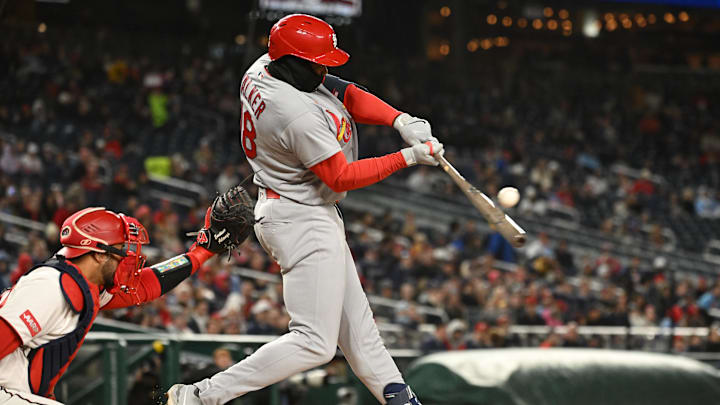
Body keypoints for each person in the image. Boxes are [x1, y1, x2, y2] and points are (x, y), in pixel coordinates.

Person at [167, 13, 442, 405]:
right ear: (292, 62)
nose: (323, 68)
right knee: (315, 342)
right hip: (300, 215)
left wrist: (399, 118)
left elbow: (342, 90)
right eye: (315, 62)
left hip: (301, 208)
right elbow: (341, 176)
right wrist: (408, 156)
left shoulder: (267, 65)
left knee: (363, 340)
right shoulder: (292, 112)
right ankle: (200, 396)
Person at [0, 204, 237, 405]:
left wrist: (201, 253)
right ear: (99, 254)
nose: (128, 258)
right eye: (121, 250)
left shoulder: (85, 284)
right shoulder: (50, 286)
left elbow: (144, 287)